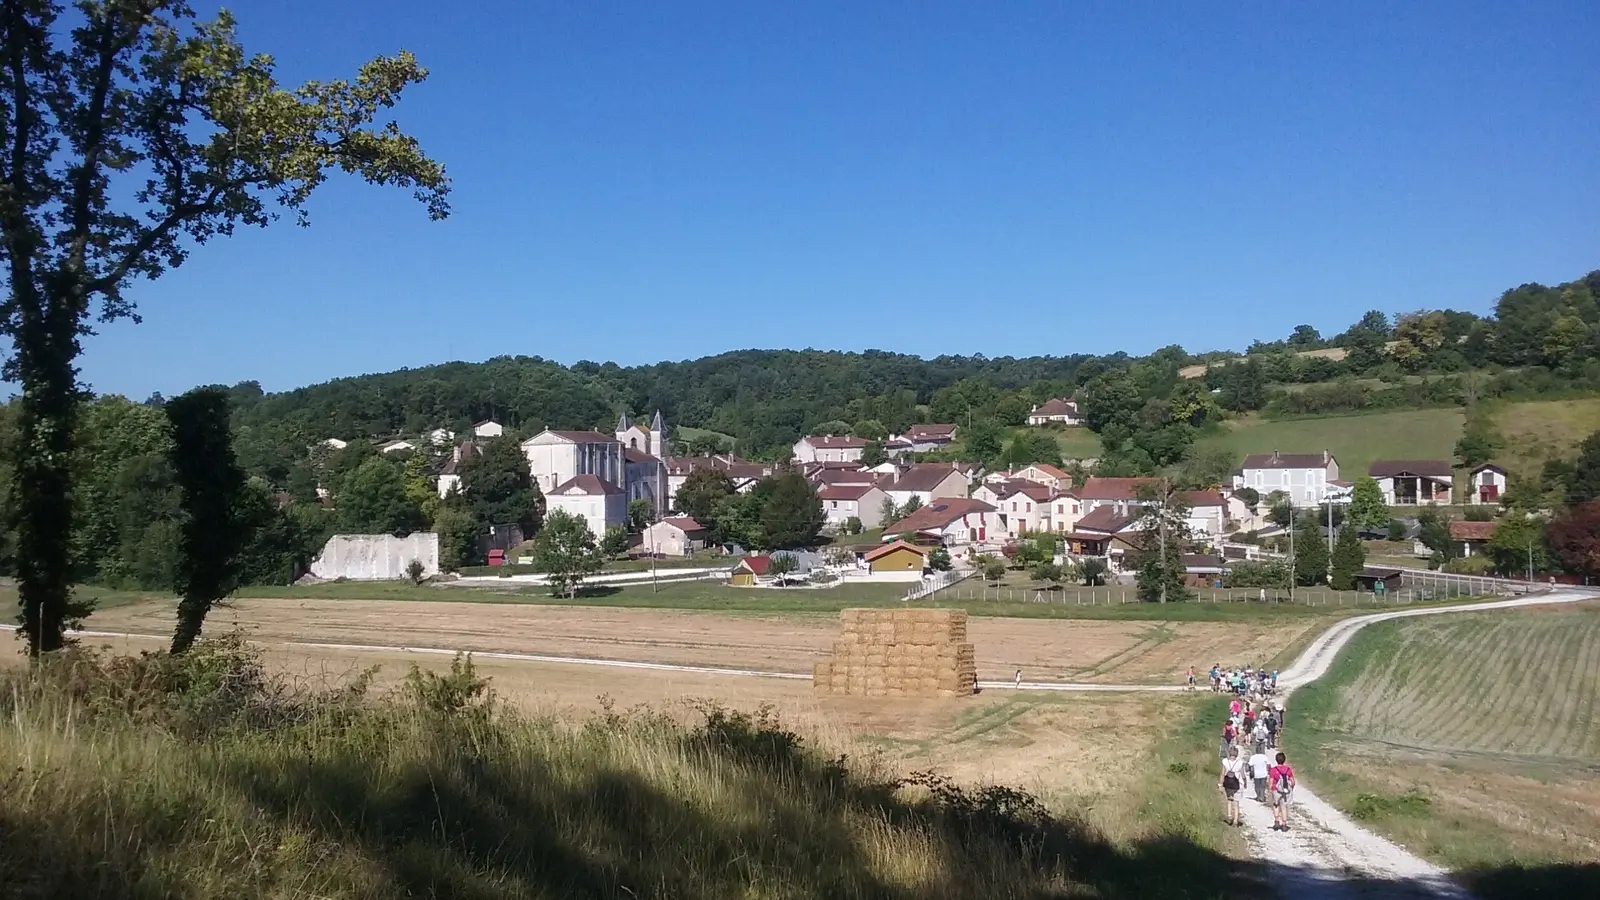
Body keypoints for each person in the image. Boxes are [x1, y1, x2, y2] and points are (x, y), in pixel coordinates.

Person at [1219, 746, 1246, 826]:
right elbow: (1243, 775)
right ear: (1237, 754)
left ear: (1229, 753)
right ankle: (1235, 820)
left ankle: (1229, 815)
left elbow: (1222, 774)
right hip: (1237, 784)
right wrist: (1245, 782)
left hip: (1228, 783)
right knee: (1236, 803)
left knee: (1229, 800)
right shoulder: (1240, 763)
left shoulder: (1225, 761)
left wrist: (1220, 784)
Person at [1269, 751, 1295, 831]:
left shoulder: (1273, 770)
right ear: (1284, 760)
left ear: (1276, 760)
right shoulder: (1288, 769)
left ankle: (1276, 821)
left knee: (1276, 805)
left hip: (1276, 790)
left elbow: (1270, 781)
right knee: (1284, 807)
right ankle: (1284, 824)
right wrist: (1291, 788)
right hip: (1285, 790)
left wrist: (1270, 790)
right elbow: (1292, 781)